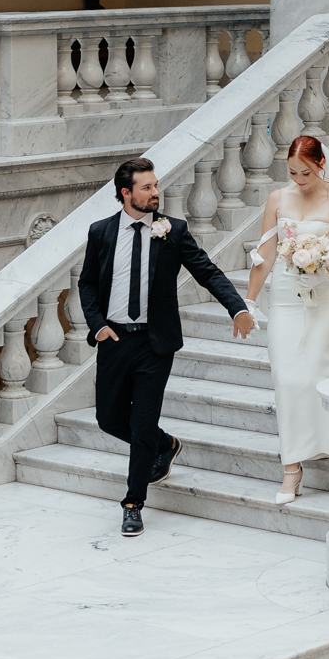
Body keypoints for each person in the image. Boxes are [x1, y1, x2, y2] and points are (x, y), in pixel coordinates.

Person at [78, 155, 253, 535]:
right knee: (108, 419)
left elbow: (207, 271)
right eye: (147, 187)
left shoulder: (173, 230)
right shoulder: (101, 232)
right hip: (115, 340)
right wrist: (98, 327)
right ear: (126, 193)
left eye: (156, 185)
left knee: (141, 424)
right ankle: (166, 444)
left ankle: (132, 503)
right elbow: (87, 284)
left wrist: (236, 307)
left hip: (155, 344)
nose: (156, 192)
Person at [244, 133, 329, 504]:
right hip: (284, 298)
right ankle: (292, 468)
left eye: (304, 173)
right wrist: (249, 303)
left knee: (322, 374)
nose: (298, 180)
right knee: (287, 378)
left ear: (320, 165)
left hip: (324, 299)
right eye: (292, 172)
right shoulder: (277, 199)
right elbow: (265, 254)